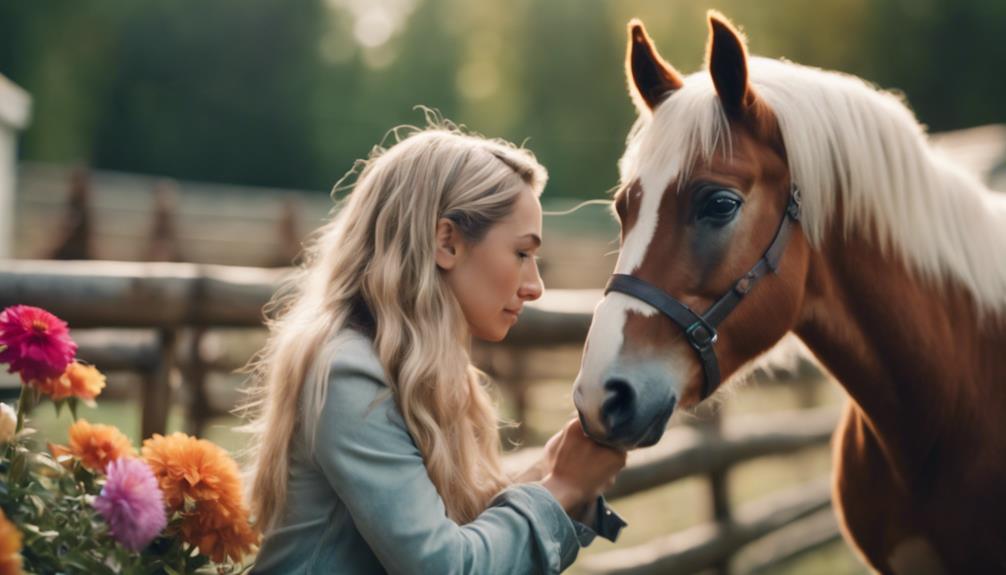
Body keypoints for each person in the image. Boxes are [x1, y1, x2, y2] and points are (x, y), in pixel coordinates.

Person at [242, 118, 628, 574]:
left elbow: (450, 530)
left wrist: (545, 471)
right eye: (522, 254)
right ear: (447, 242)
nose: (535, 286)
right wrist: (559, 488)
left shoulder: (423, 371)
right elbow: (445, 566)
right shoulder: (350, 373)